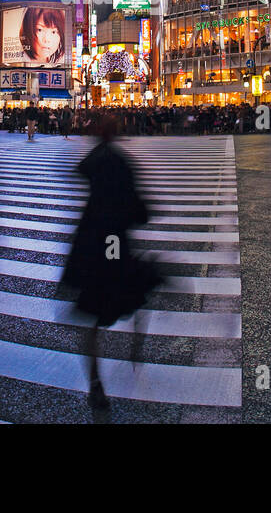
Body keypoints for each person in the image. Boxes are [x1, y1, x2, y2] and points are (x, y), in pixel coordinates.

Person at [62, 115, 160, 410]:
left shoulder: (94, 161)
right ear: (116, 133)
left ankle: (95, 383)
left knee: (91, 315)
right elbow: (138, 208)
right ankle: (135, 347)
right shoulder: (120, 161)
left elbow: (79, 170)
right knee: (137, 289)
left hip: (91, 245)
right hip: (115, 244)